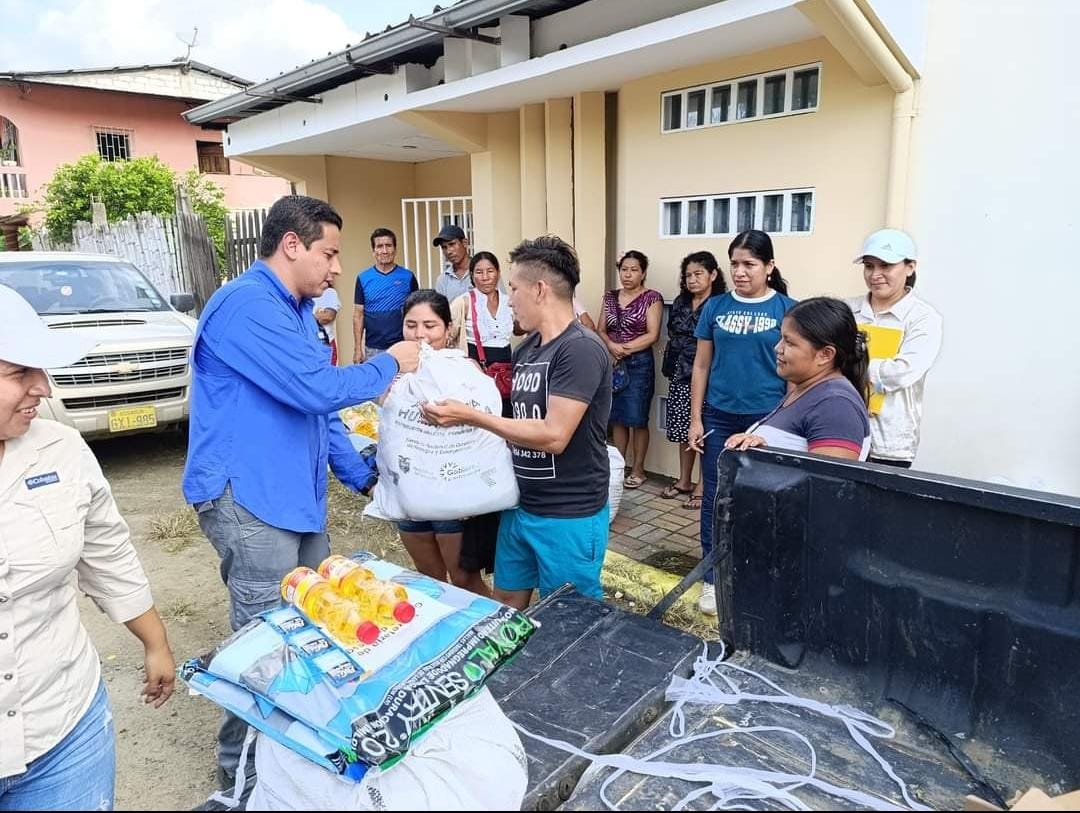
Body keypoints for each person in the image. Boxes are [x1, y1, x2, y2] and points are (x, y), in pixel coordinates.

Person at [182, 196, 421, 788]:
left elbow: (318, 411)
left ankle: (299, 759)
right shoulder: (247, 305)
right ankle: (240, 777)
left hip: (294, 497)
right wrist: (390, 363)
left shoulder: (293, 310)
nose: (338, 268)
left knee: (318, 625)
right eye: (329, 253)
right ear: (292, 245)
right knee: (267, 643)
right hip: (250, 497)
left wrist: (363, 476)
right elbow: (318, 388)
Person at [0, 285, 175, 810]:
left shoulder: (61, 449)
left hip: (63, 731)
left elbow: (108, 555)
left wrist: (155, 642)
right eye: (19, 372)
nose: (42, 386)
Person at [421, 235, 612, 610]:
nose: (508, 300)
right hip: (520, 505)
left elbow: (554, 435)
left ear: (540, 290)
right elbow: (515, 423)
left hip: (568, 513)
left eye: (513, 288)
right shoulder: (526, 350)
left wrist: (472, 416)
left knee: (571, 615)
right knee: (506, 602)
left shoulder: (581, 348)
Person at [688, 230, 797, 615]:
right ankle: (712, 578)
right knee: (715, 498)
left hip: (768, 419)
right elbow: (701, 365)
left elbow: (794, 372)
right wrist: (696, 418)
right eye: (734, 263)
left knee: (764, 498)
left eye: (749, 264)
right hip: (719, 416)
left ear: (769, 266)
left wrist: (786, 422)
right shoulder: (715, 307)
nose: (740, 271)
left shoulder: (788, 309)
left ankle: (755, 575)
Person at [395, 288, 491, 597]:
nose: (420, 334)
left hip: (454, 495)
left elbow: (484, 425)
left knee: (465, 581)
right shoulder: (393, 370)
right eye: (411, 325)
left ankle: (492, 626)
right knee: (429, 580)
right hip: (410, 493)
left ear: (448, 329)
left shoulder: (465, 368)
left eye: (430, 325)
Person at [725, 297, 871, 460]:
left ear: (825, 354)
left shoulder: (836, 405)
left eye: (789, 343)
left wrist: (768, 458)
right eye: (781, 339)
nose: (777, 348)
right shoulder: (808, 390)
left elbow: (830, 475)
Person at [845, 229, 943, 468]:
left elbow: (902, 372)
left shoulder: (922, 318)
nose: (875, 275)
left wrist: (848, 366)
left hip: (889, 442)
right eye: (869, 266)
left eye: (886, 266)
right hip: (842, 430)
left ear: (910, 267)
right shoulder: (847, 310)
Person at [660, 251, 726, 510]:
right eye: (688, 275)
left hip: (706, 375)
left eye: (698, 274)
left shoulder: (720, 304)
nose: (692, 279)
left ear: (713, 275)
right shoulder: (680, 301)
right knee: (683, 429)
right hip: (679, 371)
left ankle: (702, 486)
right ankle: (684, 480)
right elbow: (673, 332)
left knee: (705, 430)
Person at [598, 250, 663, 490]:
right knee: (617, 419)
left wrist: (624, 349)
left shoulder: (652, 298)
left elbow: (653, 335)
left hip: (639, 364)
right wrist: (611, 346)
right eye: (624, 269)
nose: (628, 274)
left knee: (637, 418)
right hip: (614, 364)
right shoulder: (610, 297)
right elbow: (601, 329)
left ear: (643, 273)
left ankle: (638, 469)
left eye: (634, 270)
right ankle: (619, 466)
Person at [449, 251, 515, 418]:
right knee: (482, 416)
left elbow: (519, 328)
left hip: (506, 370)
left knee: (506, 416)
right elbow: (447, 336)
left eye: (490, 271)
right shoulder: (463, 302)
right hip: (477, 369)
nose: (485, 277)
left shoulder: (510, 301)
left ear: (498, 272)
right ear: (472, 275)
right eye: (479, 272)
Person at [352, 227, 419, 363]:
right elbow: (358, 315)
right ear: (373, 251)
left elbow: (417, 312)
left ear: (395, 249)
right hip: (373, 348)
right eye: (379, 246)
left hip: (402, 345)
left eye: (388, 245)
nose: (384, 251)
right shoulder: (363, 278)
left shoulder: (408, 277)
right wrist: (357, 348)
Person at [433, 224, 473, 303]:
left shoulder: (482, 272)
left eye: (452, 244)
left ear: (464, 243)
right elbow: (440, 309)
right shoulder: (443, 280)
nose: (448, 251)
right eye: (444, 247)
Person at [312, 282, 341, 365]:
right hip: (308, 345)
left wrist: (307, 316)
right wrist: (316, 315)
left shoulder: (329, 292)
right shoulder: (303, 296)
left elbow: (328, 317)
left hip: (325, 344)